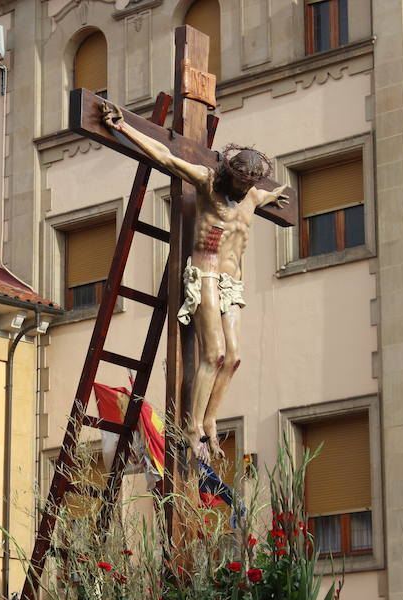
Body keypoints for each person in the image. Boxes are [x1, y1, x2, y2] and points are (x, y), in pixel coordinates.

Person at [101, 102, 289, 460]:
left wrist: (276, 195)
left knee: (233, 358)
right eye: (240, 181)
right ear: (230, 173)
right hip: (205, 272)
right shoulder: (207, 181)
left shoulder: (252, 195)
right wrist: (123, 128)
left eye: (250, 183)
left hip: (232, 283)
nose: (244, 188)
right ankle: (192, 427)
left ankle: (210, 420)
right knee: (214, 353)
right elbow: (164, 156)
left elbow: (268, 194)